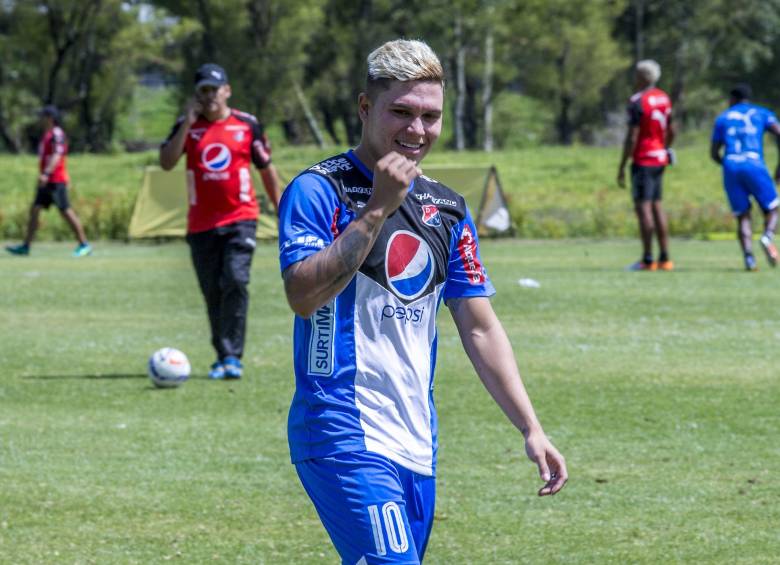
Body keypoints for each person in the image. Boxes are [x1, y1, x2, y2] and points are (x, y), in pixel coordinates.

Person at [278, 39, 567, 563]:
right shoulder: (319, 190)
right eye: (402, 113)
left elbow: (479, 326)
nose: (416, 130)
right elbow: (302, 294)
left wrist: (531, 427)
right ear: (366, 108)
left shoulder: (447, 208)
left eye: (429, 117)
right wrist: (377, 210)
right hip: (342, 428)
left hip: (415, 439)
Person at [159, 63, 282, 379]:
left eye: (215, 89)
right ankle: (223, 354)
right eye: (204, 90)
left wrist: (283, 211)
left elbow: (266, 169)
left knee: (236, 280)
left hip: (241, 218)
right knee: (213, 290)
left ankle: (232, 358)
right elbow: (167, 162)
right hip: (201, 223)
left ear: (227, 90)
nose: (210, 96)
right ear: (196, 94)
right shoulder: (188, 126)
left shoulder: (246, 125)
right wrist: (186, 123)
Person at [710, 84, 780, 271]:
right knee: (773, 208)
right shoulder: (761, 113)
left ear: (732, 98)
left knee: (742, 215)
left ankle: (749, 259)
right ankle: (767, 236)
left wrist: (726, 165)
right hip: (754, 162)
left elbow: (714, 152)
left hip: (731, 164)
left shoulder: (723, 117)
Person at [5, 105, 91, 257]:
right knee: (35, 209)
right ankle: (26, 246)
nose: (41, 119)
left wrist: (46, 173)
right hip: (47, 181)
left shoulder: (56, 134)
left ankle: (84, 244)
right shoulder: (48, 134)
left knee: (66, 211)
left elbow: (57, 156)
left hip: (56, 179)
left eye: (43, 116)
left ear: (50, 118)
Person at [617, 59, 676, 271]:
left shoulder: (637, 100)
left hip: (643, 158)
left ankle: (647, 259)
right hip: (659, 158)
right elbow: (672, 130)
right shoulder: (664, 98)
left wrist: (623, 164)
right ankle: (666, 258)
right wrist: (665, 148)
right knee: (657, 205)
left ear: (642, 77)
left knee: (643, 208)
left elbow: (632, 136)